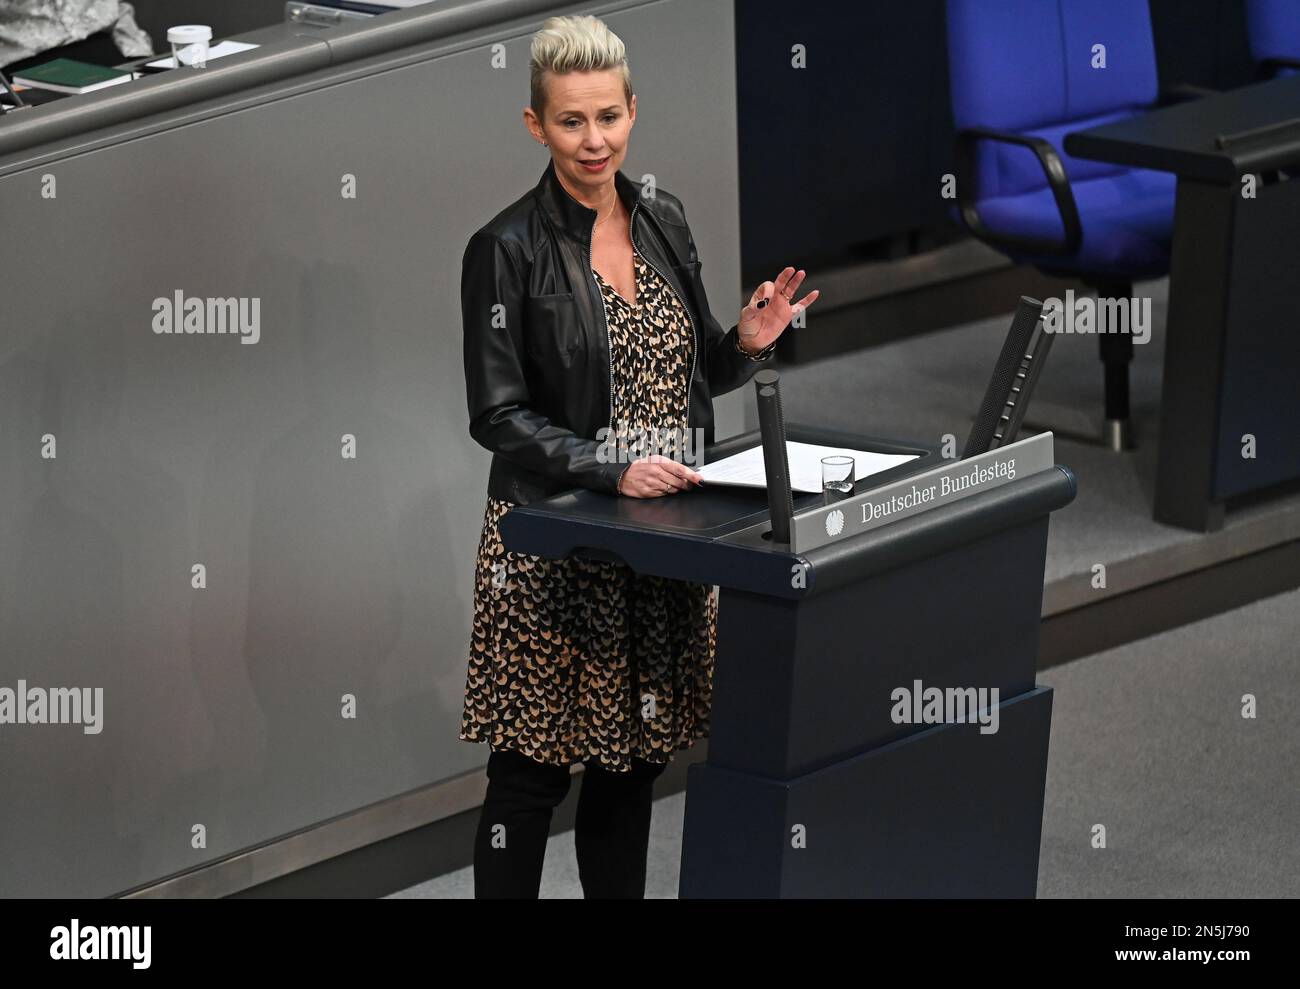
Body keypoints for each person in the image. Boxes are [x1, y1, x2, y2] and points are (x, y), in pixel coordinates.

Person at [458, 13, 819, 899]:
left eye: (610, 117)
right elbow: (497, 415)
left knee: (631, 761)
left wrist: (749, 338)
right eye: (573, 121)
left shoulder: (663, 218)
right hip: (555, 539)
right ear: (536, 125)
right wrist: (610, 466)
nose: (595, 140)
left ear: (632, 113)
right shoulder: (504, 249)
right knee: (532, 773)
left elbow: (697, 363)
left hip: (660, 538)